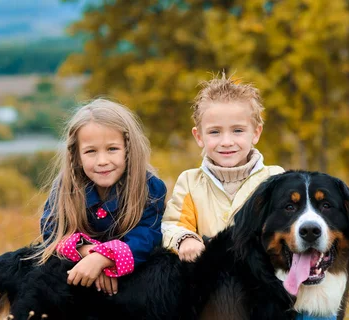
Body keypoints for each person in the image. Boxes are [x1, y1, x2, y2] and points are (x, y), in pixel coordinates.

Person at [39, 98, 167, 295]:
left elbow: (147, 237)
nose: (102, 161)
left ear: (128, 149)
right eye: (91, 151)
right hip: (81, 283)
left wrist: (103, 259)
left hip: (137, 289)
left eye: (112, 149)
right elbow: (52, 230)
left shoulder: (149, 188)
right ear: (76, 156)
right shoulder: (66, 187)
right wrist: (89, 255)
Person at [162, 73, 284, 261]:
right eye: (215, 132)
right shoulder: (190, 182)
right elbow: (171, 225)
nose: (226, 142)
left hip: (261, 281)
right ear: (199, 136)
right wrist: (185, 239)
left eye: (237, 130)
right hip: (212, 281)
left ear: (256, 133)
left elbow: (288, 226)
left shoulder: (276, 179)